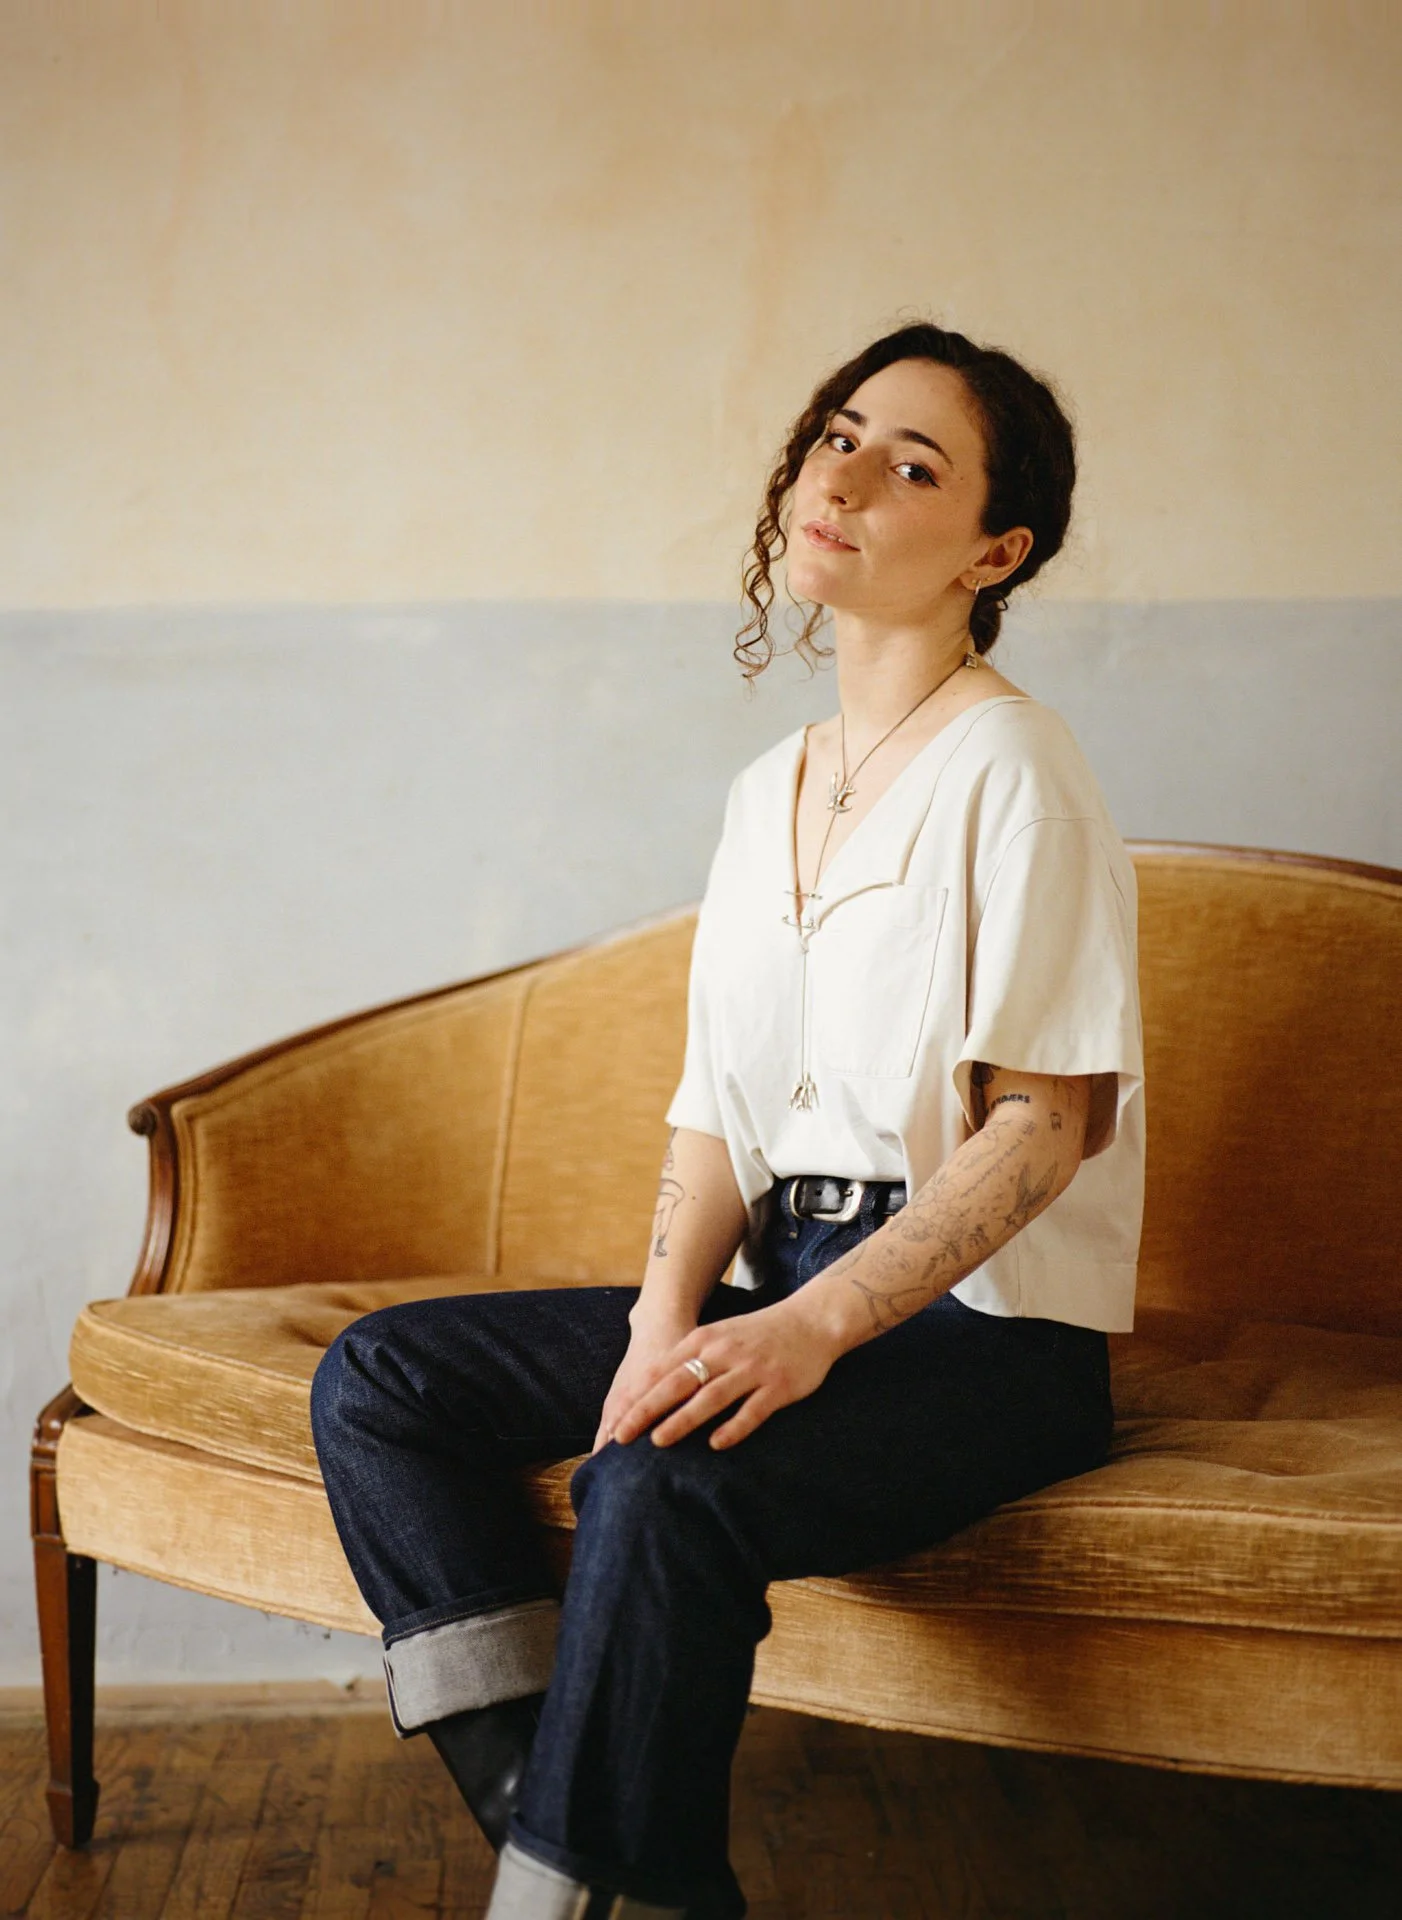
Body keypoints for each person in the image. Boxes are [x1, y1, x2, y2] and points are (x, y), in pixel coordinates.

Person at [310, 322, 1145, 1920]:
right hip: (775, 1284)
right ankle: (561, 1838)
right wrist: (664, 1320)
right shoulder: (769, 786)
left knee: (661, 1484)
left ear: (994, 548)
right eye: (836, 434)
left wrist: (814, 1330)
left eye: (912, 464)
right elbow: (713, 1115)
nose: (844, 475)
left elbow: (1047, 1125)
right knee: (382, 1381)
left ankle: (558, 1890)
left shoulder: (1015, 766)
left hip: (982, 1339)